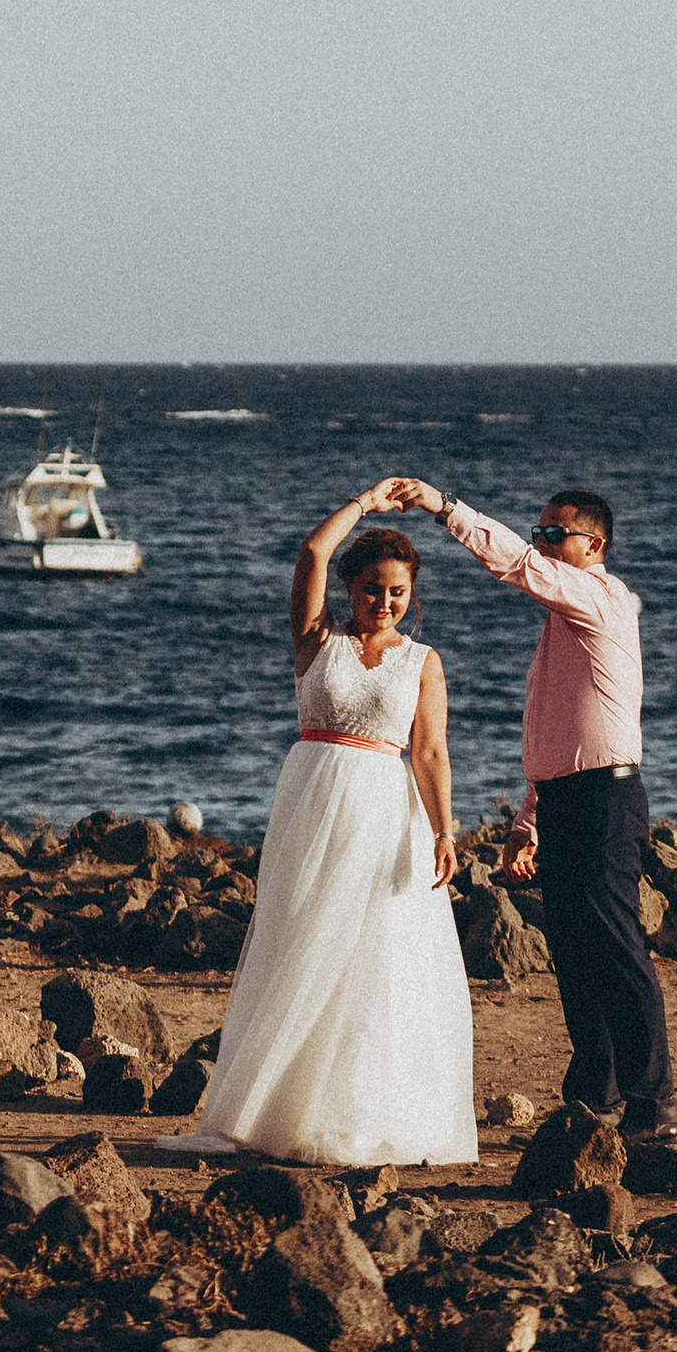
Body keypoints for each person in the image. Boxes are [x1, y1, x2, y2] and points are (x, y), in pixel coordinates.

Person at [179, 487, 477, 1170]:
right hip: (314, 801)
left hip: (383, 807)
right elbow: (313, 549)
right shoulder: (318, 642)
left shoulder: (421, 662)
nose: (385, 601)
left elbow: (430, 751)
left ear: (412, 594)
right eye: (373, 588)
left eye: (397, 591)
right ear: (350, 587)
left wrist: (443, 831)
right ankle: (280, 1110)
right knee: (302, 941)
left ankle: (362, 1109)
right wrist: (367, 502)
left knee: (377, 955)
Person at [383, 474, 677, 1146]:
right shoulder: (563, 618)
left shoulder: (598, 597)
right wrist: (527, 823)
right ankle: (593, 1103)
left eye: (554, 534)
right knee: (576, 953)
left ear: (593, 546)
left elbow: (511, 561)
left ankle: (652, 1110)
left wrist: (444, 507)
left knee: (617, 947)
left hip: (607, 799)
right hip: (569, 798)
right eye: (539, 532)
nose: (541, 544)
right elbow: (557, 736)